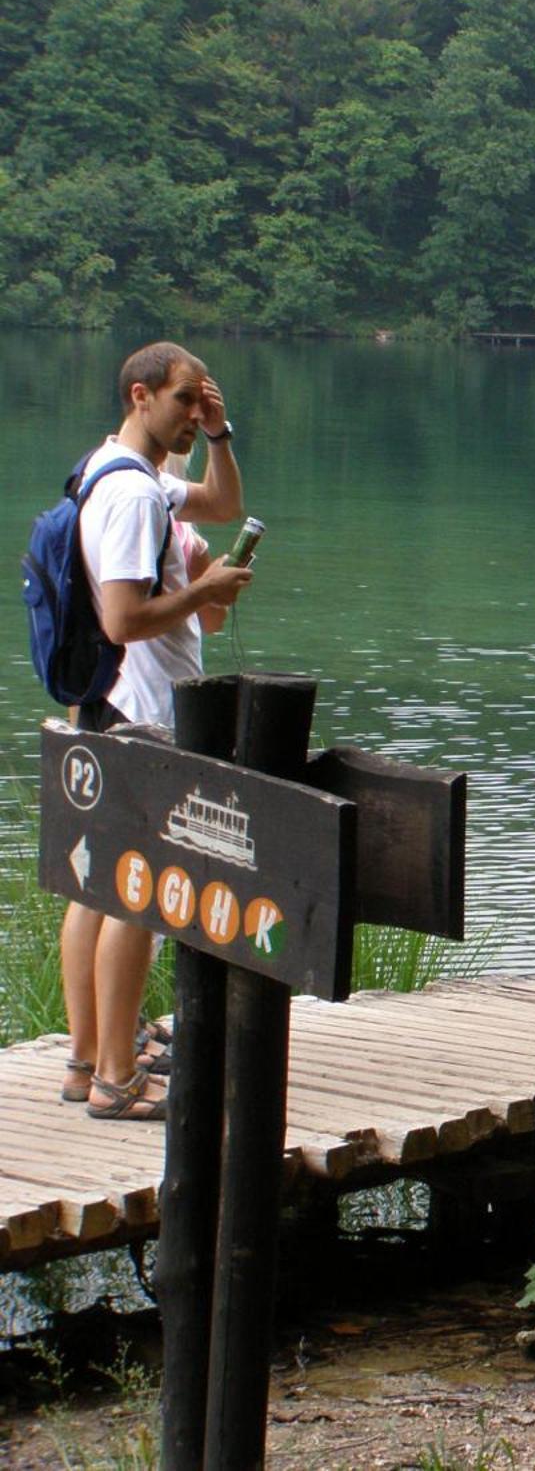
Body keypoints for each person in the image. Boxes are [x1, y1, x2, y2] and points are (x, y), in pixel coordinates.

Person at [59, 343, 253, 1119]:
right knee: (135, 897)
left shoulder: (116, 472)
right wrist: (203, 588)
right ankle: (117, 1079)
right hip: (144, 712)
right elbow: (123, 617)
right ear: (141, 395)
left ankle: (85, 1063)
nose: (188, 415)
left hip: (105, 708)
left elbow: (220, 504)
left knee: (95, 890)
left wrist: (219, 433)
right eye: (181, 402)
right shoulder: (137, 499)